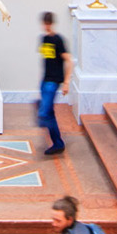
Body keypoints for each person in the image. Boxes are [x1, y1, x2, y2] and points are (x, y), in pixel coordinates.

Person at [36, 11, 71, 157]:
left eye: (48, 23)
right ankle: (57, 143)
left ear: (52, 23)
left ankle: (57, 140)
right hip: (45, 80)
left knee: (45, 113)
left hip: (53, 81)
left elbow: (69, 60)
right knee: (49, 113)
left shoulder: (58, 40)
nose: (46, 26)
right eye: (45, 23)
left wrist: (66, 82)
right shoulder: (43, 39)